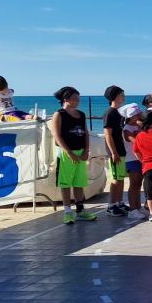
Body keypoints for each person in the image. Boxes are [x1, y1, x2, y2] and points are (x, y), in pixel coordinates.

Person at [50, 87, 97, 224]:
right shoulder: (59, 114)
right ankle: (67, 212)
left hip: (80, 151)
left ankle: (80, 210)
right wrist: (69, 152)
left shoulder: (81, 114)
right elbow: (56, 135)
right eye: (75, 99)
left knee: (79, 183)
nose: (77, 101)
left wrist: (86, 149)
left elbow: (85, 132)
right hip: (65, 153)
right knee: (65, 183)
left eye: (78, 99)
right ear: (66, 100)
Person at [102, 85, 128, 217]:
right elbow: (108, 134)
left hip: (122, 150)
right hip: (115, 151)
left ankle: (119, 202)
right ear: (115, 96)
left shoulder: (120, 112)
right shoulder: (109, 113)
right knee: (116, 179)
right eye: (121, 94)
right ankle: (111, 205)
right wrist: (113, 152)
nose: (123, 96)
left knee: (121, 177)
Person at [122, 103, 147, 220]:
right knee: (134, 184)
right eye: (136, 115)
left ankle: (138, 206)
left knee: (138, 184)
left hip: (141, 158)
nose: (138, 117)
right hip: (132, 159)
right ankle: (132, 209)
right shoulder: (127, 129)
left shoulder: (138, 126)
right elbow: (136, 141)